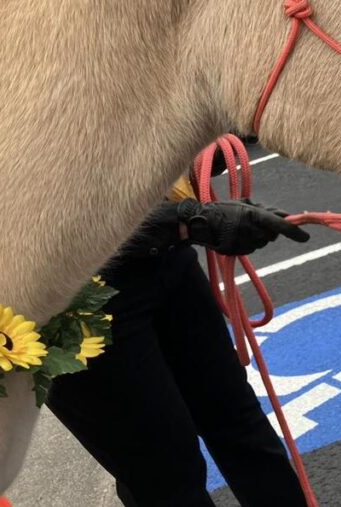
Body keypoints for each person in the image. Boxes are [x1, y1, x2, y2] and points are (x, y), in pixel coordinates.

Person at [46, 157, 312, 507]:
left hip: (163, 258)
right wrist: (188, 222)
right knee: (164, 474)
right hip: (64, 303)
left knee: (240, 424)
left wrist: (188, 149)